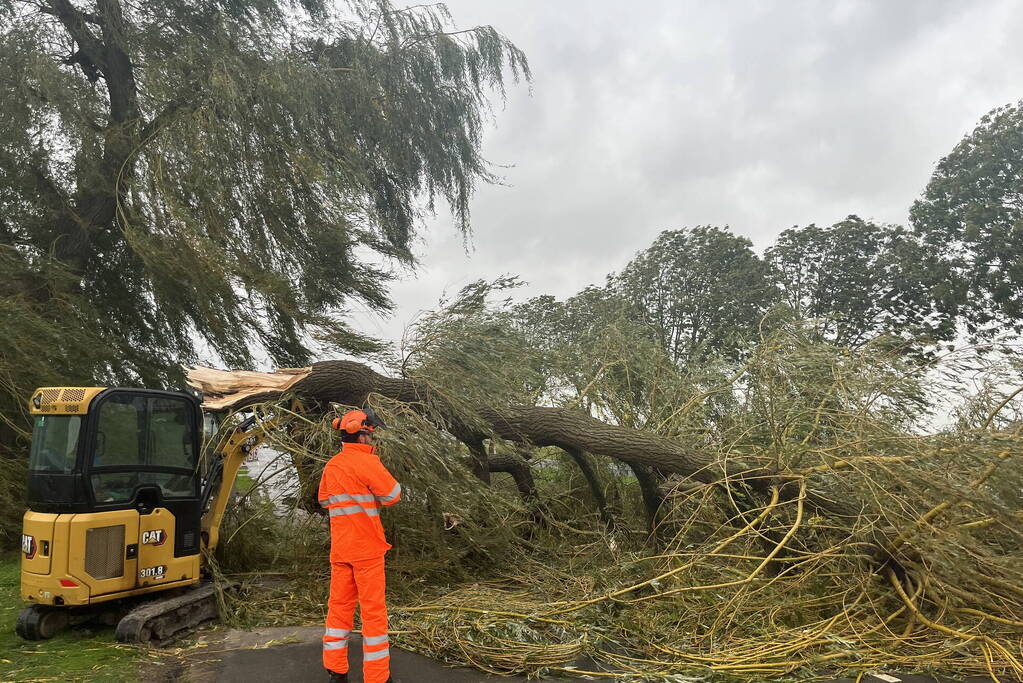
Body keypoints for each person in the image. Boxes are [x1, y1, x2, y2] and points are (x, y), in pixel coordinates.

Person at [319, 407, 401, 683]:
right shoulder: (368, 463)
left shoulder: (333, 466)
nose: (372, 441)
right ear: (362, 435)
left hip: (341, 549)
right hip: (367, 550)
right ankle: (378, 678)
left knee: (339, 608)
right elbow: (393, 495)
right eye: (370, 435)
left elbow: (324, 501)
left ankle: (336, 671)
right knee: (373, 613)